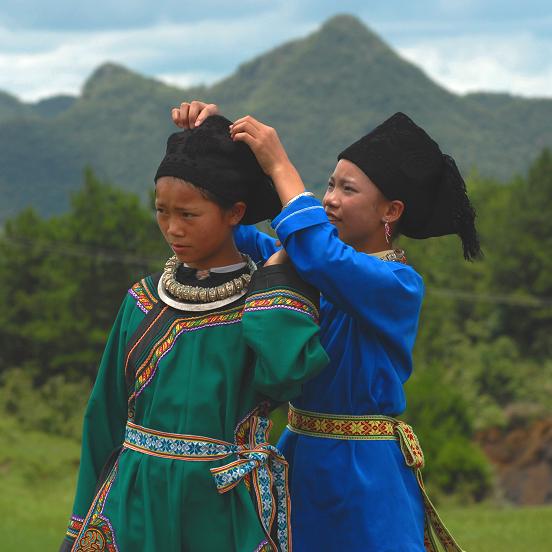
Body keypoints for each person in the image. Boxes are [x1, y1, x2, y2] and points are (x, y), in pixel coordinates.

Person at [172, 102, 479, 551]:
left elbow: (317, 250)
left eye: (348, 189)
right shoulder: (312, 260)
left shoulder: (396, 284)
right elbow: (230, 232)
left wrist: (280, 163)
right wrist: (206, 142)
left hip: (362, 471)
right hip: (297, 454)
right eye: (330, 184)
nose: (330, 198)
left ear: (390, 211)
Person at [60, 115, 328, 552]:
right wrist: (79, 526)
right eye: (162, 212)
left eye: (188, 214)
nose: (172, 228)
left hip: (223, 507)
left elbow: (286, 377)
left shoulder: (264, 304)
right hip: (135, 503)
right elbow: (104, 415)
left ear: (234, 214)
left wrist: (275, 282)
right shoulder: (142, 301)